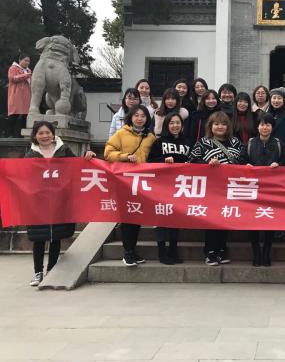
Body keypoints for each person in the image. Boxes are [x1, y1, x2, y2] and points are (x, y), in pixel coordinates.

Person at [25, 121, 95, 286]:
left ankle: (52, 269)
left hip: (59, 201)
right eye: (41, 133)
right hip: (39, 203)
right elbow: (23, 176)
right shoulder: (30, 154)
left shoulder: (63, 150)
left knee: (55, 237)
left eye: (47, 132)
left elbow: (77, 166)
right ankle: (38, 272)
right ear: (35, 136)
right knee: (39, 238)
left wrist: (87, 157)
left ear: (53, 133)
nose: (45, 136)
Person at [188, 112, 247, 265]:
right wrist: (207, 164)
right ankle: (210, 251)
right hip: (211, 189)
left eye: (223, 124)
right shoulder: (203, 142)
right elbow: (192, 161)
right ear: (210, 126)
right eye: (216, 124)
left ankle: (221, 249)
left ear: (228, 126)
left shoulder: (236, 142)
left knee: (225, 217)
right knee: (212, 220)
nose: (220, 127)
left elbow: (243, 159)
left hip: (230, 188)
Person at [104, 105, 156, 266]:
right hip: (125, 181)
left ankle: (133, 251)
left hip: (142, 182)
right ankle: (127, 252)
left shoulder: (150, 137)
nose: (140, 118)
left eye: (143, 116)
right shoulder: (121, 133)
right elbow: (108, 153)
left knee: (137, 216)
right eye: (136, 115)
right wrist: (125, 156)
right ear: (131, 117)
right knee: (127, 218)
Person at [147, 112, 190, 265]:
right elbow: (150, 161)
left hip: (180, 187)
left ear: (182, 125)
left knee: (175, 218)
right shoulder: (159, 142)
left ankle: (173, 250)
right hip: (161, 186)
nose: (175, 125)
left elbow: (193, 161)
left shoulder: (188, 142)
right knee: (160, 218)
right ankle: (162, 252)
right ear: (166, 125)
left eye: (177, 122)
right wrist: (163, 160)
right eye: (171, 123)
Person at [246, 113, 285, 266]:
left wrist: (279, 164)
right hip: (253, 188)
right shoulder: (250, 143)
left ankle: (266, 252)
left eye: (268, 125)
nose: (265, 127)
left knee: (269, 220)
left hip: (272, 189)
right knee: (252, 221)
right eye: (262, 124)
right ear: (257, 127)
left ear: (272, 127)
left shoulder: (279, 143)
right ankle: (256, 253)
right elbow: (242, 159)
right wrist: (246, 165)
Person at [7, 54, 32, 137]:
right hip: (16, 95)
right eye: (25, 60)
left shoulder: (28, 70)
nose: (27, 62)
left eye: (28, 61)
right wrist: (26, 75)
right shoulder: (13, 68)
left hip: (27, 96)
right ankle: (10, 135)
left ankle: (23, 135)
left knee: (25, 115)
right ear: (20, 60)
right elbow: (12, 78)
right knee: (14, 114)